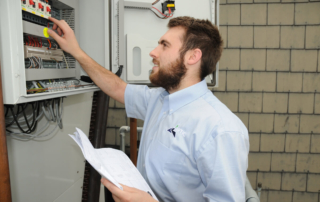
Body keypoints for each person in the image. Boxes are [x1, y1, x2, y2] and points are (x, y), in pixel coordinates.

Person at [48, 16, 249, 202]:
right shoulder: (159, 99)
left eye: (164, 45)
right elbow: (117, 87)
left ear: (192, 56)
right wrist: (75, 51)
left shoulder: (220, 129)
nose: (153, 52)